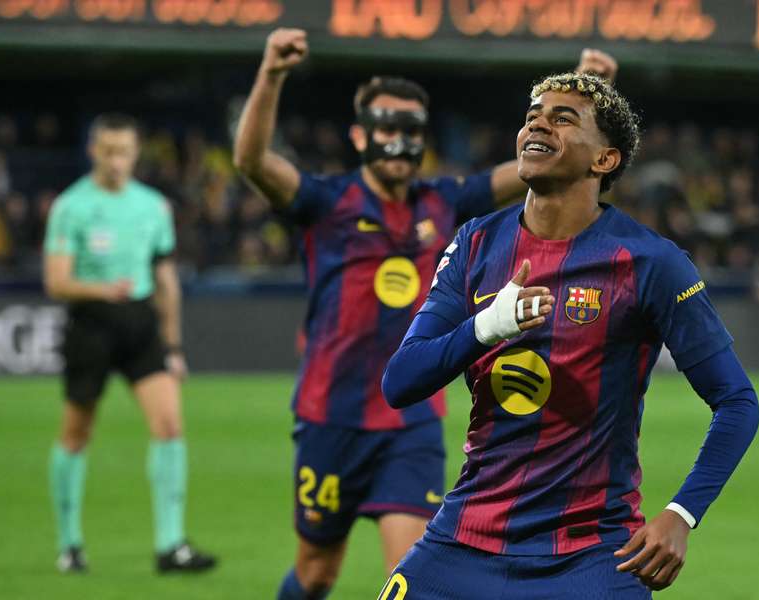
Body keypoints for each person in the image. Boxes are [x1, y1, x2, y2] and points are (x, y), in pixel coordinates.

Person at [233, 28, 617, 600]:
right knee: (316, 574)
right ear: (360, 134)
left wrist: (585, 102)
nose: (398, 140)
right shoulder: (326, 201)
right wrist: (271, 73)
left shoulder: (446, 202)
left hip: (409, 420)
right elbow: (251, 160)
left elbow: (540, 164)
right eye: (386, 126)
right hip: (329, 416)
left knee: (409, 580)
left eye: (410, 129)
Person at [379, 73, 759, 598]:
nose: (538, 121)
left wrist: (681, 514)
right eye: (534, 113)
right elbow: (400, 381)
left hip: (592, 557)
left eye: (563, 118)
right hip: (463, 542)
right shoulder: (475, 243)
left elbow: (737, 401)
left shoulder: (650, 262)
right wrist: (485, 328)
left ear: (604, 160)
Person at [43, 113, 217, 574]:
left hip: (141, 325)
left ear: (136, 153)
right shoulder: (71, 207)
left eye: (124, 151)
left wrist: (174, 345)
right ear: (92, 151)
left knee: (170, 426)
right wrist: (103, 291)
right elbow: (56, 281)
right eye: (108, 151)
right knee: (77, 433)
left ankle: (171, 545)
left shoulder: (153, 207)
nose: (116, 160)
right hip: (91, 327)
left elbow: (165, 279)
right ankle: (70, 544)